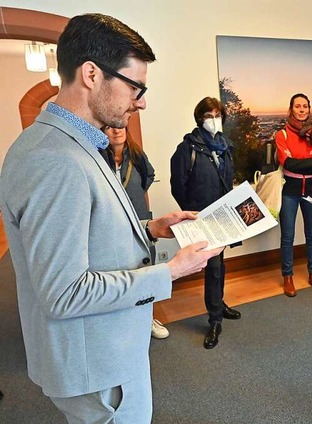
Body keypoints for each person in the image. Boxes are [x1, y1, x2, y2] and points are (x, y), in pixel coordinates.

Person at [0, 13, 222, 423]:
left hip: (105, 348)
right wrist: (170, 272)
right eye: (135, 86)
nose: (142, 101)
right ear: (91, 75)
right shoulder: (55, 159)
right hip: (97, 365)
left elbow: (85, 234)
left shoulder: (72, 142)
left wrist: (149, 228)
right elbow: (65, 292)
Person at [170, 97, 242, 350]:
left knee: (220, 266)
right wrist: (193, 213)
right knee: (212, 267)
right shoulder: (187, 148)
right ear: (200, 118)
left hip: (223, 216)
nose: (214, 120)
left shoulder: (225, 146)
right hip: (202, 217)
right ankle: (214, 320)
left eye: (217, 115)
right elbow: (178, 186)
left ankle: (219, 303)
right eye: (209, 115)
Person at [103, 126, 169, 339]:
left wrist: (150, 220)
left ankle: (148, 319)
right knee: (119, 273)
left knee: (144, 270)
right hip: (111, 225)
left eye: (120, 127)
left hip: (140, 220)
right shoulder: (96, 158)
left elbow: (145, 185)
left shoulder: (137, 156)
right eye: (109, 128)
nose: (116, 131)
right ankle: (123, 323)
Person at [275, 93, 312, 297]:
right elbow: (288, 164)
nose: (301, 110)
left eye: (305, 106)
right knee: (288, 236)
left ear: (309, 109)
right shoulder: (283, 135)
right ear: (291, 109)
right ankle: (287, 276)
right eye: (297, 106)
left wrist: (305, 164)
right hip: (290, 191)